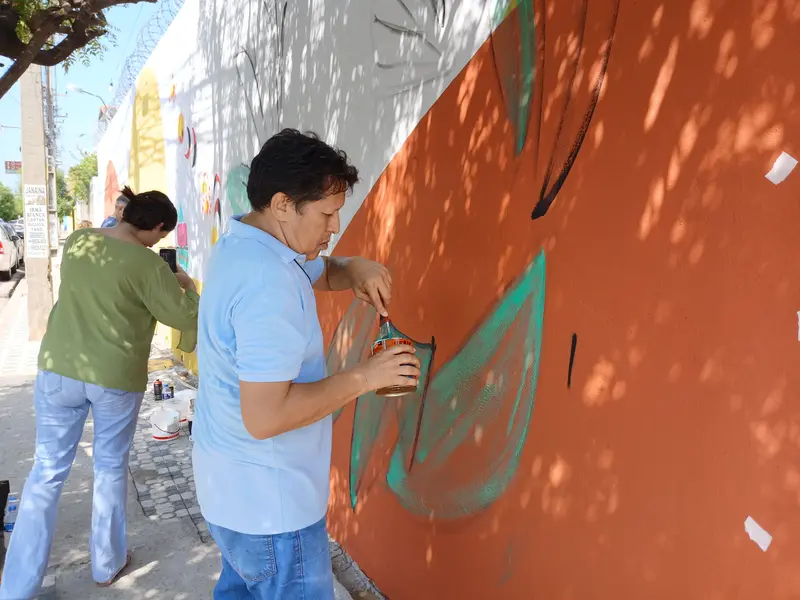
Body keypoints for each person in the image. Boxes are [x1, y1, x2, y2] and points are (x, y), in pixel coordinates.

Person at [193, 129, 421, 599]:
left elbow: (320, 270)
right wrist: (367, 376)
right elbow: (267, 415)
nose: (335, 226)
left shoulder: (247, 243)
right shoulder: (267, 284)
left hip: (231, 496)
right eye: (327, 213)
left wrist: (353, 266)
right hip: (274, 512)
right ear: (282, 204)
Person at [0, 187, 200, 599]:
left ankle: (17, 588)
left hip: (58, 369)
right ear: (157, 226)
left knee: (45, 474)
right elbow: (179, 315)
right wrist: (187, 286)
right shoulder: (147, 264)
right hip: (113, 377)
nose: (158, 244)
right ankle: (106, 565)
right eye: (161, 235)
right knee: (109, 467)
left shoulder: (78, 242)